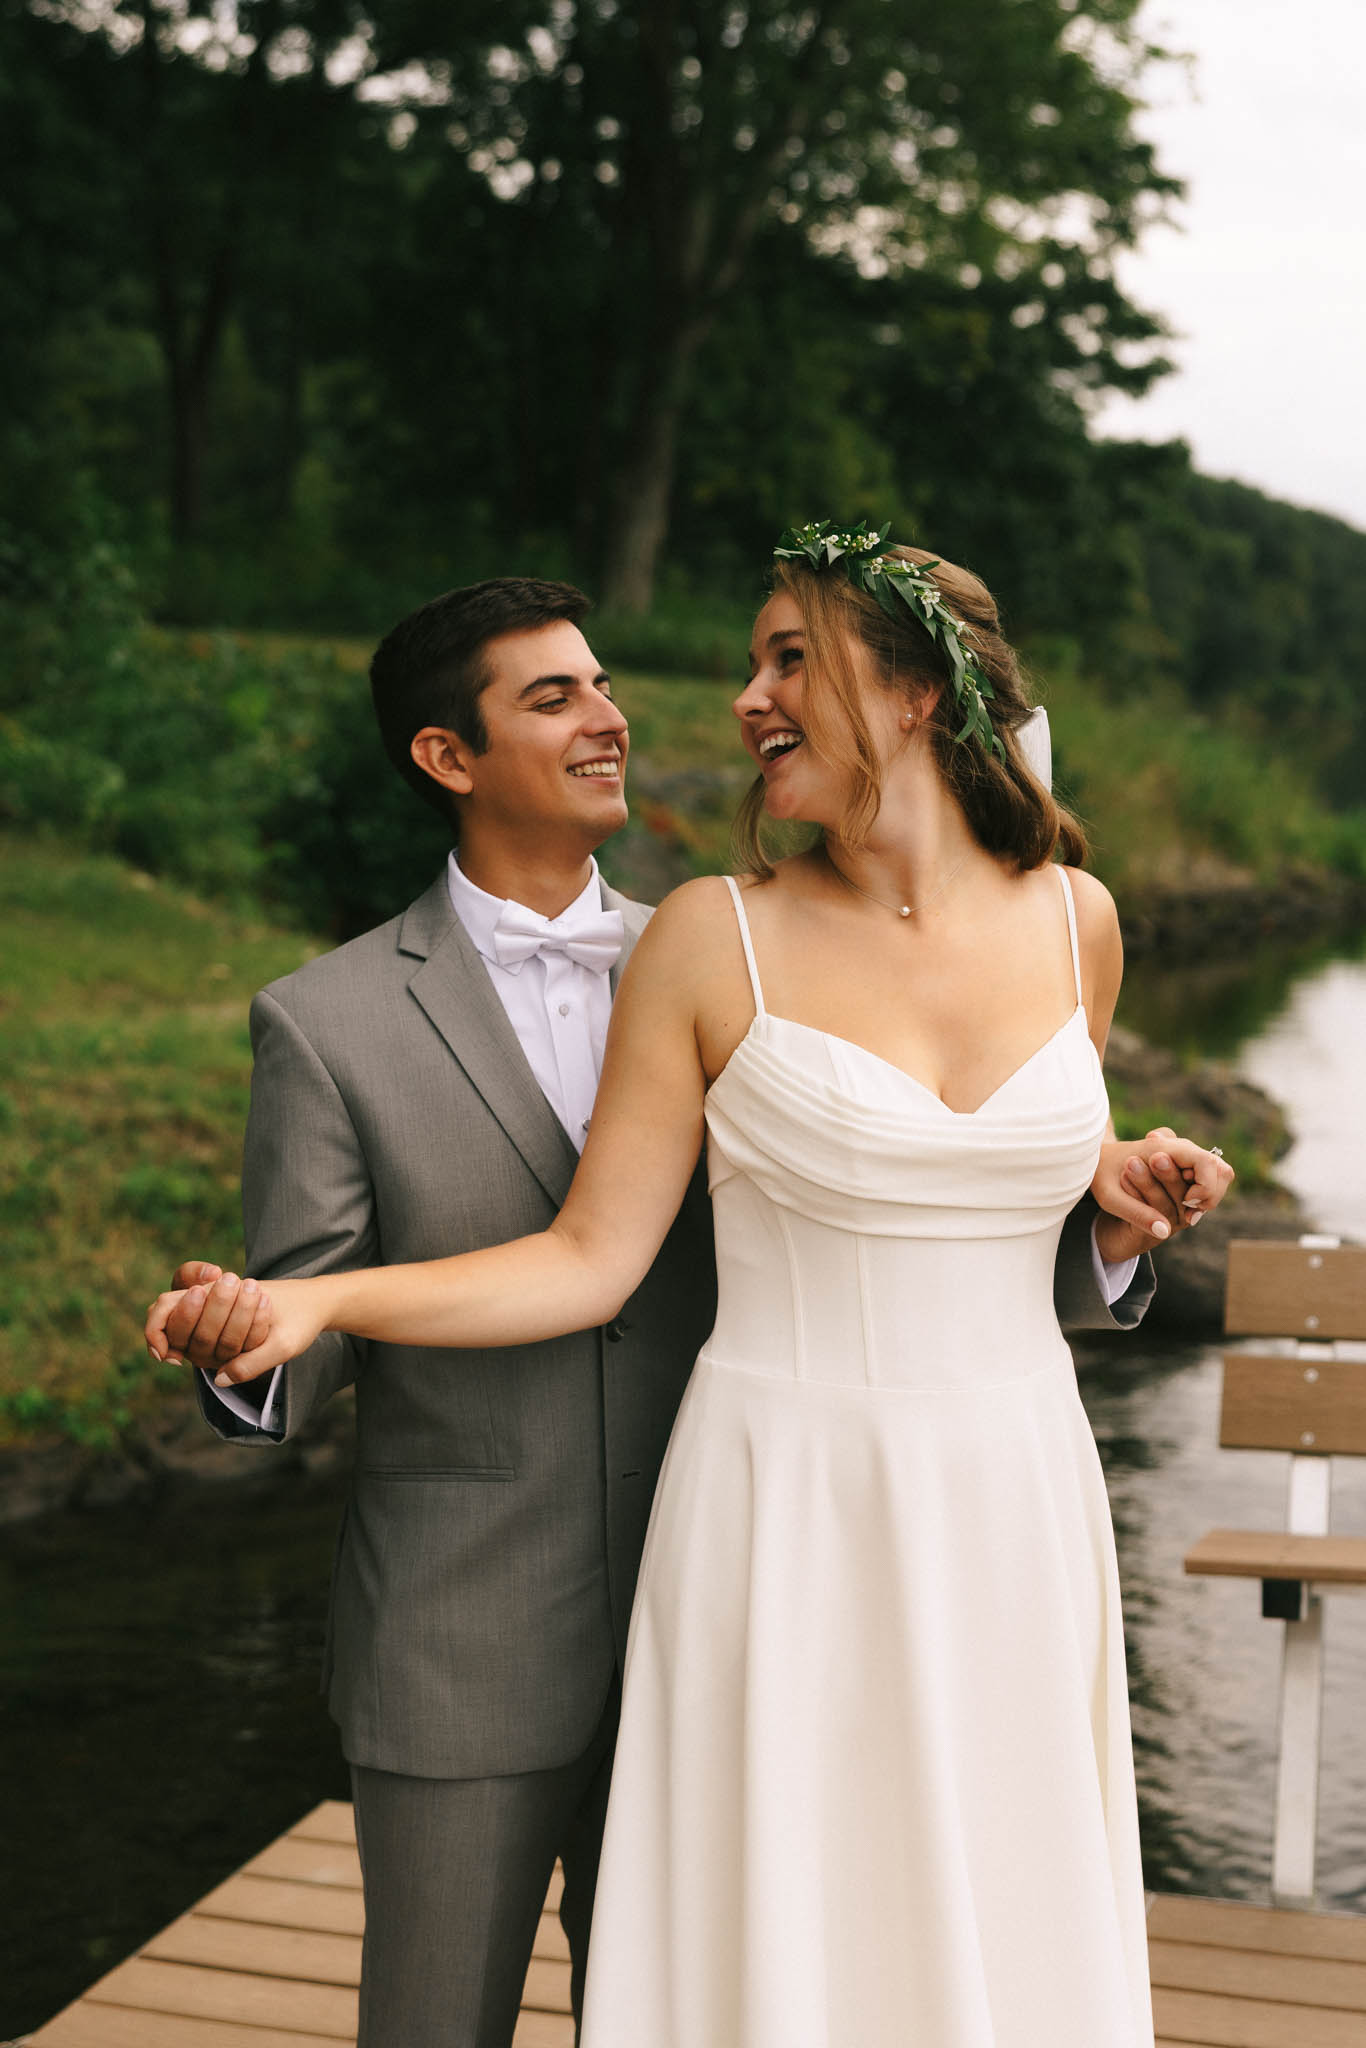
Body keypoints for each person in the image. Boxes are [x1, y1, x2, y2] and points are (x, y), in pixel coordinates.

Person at [153, 543, 1229, 2048]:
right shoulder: (693, 944)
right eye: (556, 696)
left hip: (1008, 1504)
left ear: (916, 693)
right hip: (719, 1533)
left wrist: (1115, 1201)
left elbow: (986, 1184)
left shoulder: (1073, 922)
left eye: (788, 658)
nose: (724, 701)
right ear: (447, 756)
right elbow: (587, 1255)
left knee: (981, 1918)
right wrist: (304, 1313)